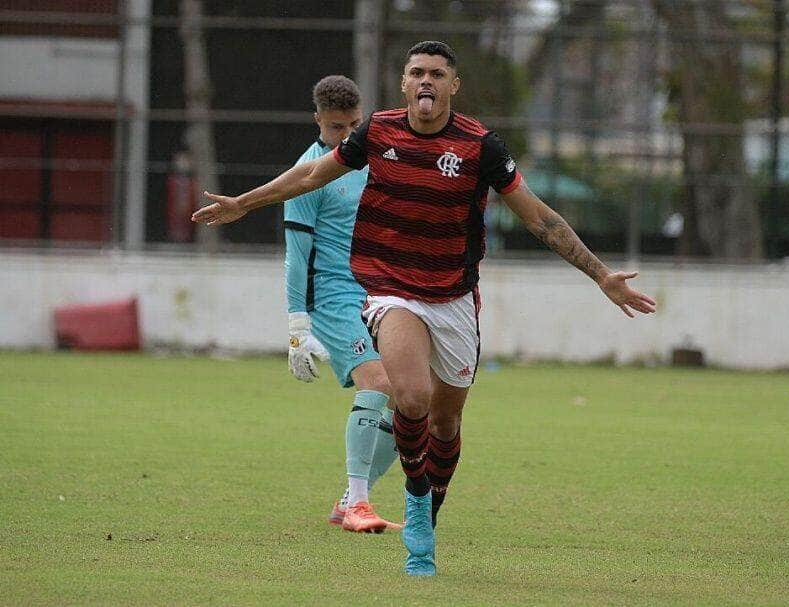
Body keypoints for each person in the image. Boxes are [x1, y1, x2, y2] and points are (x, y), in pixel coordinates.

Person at [193, 41, 656, 576]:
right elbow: (309, 176)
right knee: (408, 394)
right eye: (416, 72)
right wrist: (243, 203)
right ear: (404, 84)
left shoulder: (481, 146)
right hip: (391, 289)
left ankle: (428, 504)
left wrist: (601, 275)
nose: (426, 80)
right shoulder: (378, 133)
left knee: (446, 421)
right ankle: (414, 504)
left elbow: (539, 218)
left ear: (452, 86)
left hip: (454, 297)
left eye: (436, 73)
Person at [283, 75, 400, 534]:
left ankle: (350, 500)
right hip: (332, 295)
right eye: (335, 128)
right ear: (318, 121)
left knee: (415, 400)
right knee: (377, 380)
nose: (346, 136)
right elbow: (296, 256)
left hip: (380, 291)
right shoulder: (308, 172)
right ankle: (358, 505)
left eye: (353, 125)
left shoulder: (372, 161)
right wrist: (297, 327)